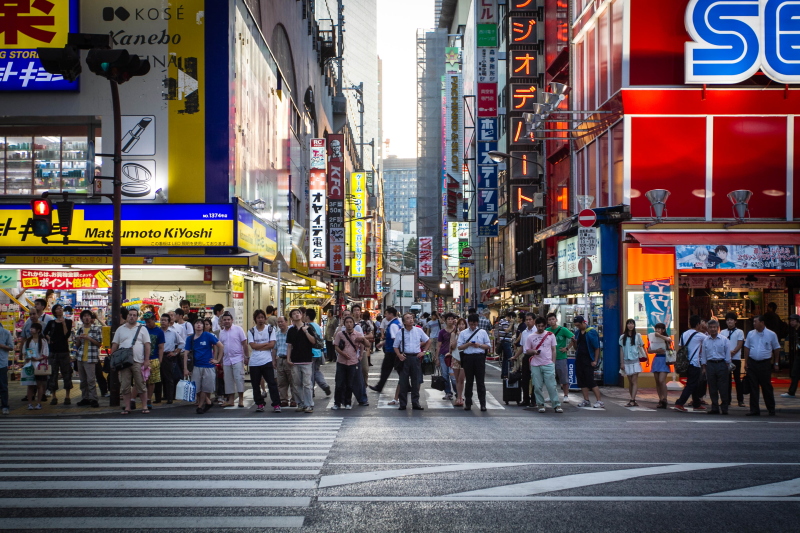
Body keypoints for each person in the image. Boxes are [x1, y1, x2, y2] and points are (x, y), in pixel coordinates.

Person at [111, 308, 151, 415]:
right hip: (123, 362)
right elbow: (115, 344)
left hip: (138, 360)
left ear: (137, 317)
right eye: (130, 315)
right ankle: (127, 407)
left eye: (134, 315)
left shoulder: (142, 329)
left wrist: (146, 360)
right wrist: (112, 358)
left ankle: (144, 406)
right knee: (125, 386)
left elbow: (147, 345)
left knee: (140, 384)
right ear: (127, 316)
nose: (132, 317)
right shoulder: (120, 329)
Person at [743, 315, 781, 416]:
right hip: (752, 362)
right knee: (753, 387)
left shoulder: (771, 334)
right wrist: (746, 362)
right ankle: (754, 409)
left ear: (762, 322)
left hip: (764, 363)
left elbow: (776, 349)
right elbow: (747, 348)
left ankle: (771, 408)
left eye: (756, 321)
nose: (754, 323)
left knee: (766, 386)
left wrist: (776, 363)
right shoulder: (751, 333)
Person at [184, 319, 222, 414]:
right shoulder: (190, 338)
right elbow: (186, 353)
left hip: (208, 366)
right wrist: (185, 368)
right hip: (196, 366)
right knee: (197, 388)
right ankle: (208, 402)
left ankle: (200, 406)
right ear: (194, 326)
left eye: (200, 323)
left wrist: (217, 360)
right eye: (196, 323)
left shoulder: (208, 335)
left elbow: (220, 346)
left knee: (205, 387)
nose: (198, 325)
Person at [525, 316, 562, 413]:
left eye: (542, 326)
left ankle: (556, 404)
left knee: (552, 386)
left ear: (545, 326)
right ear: (536, 326)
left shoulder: (550, 335)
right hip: (535, 364)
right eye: (538, 326)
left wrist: (553, 363)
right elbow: (527, 350)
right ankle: (540, 404)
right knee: (537, 386)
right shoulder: (530, 337)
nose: (540, 328)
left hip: (548, 364)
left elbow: (554, 350)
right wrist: (534, 351)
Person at [395, 312, 431, 411]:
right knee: (403, 381)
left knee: (416, 382)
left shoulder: (418, 330)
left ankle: (415, 403)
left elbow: (428, 341)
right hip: (405, 358)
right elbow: (395, 346)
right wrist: (399, 355)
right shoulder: (400, 332)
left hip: (415, 358)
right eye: (407, 318)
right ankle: (403, 404)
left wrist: (424, 351)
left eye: (411, 317)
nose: (410, 320)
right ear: (404, 322)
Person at [247, 309, 281, 413]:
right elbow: (252, 346)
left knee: (271, 383)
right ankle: (259, 404)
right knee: (255, 384)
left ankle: (276, 404)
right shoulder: (251, 331)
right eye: (258, 318)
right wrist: (265, 344)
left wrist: (259, 346)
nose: (260, 320)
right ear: (255, 319)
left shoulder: (270, 329)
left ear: (265, 318)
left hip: (267, 360)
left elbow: (272, 344)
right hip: (254, 362)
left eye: (262, 317)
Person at [333, 316, 370, 409]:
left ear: (353, 324)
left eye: (350, 322)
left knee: (350, 383)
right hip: (341, 361)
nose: (349, 324)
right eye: (347, 322)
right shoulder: (340, 334)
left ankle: (348, 402)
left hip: (353, 362)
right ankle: (337, 403)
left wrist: (361, 355)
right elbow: (336, 346)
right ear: (344, 324)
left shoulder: (357, 334)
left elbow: (365, 345)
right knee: (339, 383)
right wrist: (342, 353)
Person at [457, 313, 491, 411]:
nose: (472, 326)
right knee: (469, 382)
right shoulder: (463, 333)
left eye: (474, 324)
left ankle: (483, 404)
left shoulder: (482, 332)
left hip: (479, 357)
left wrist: (479, 345)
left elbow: (488, 345)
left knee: (480, 382)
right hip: (468, 358)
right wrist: (468, 344)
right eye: (471, 324)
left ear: (477, 323)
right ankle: (468, 403)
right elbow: (459, 347)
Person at [673, 315, 708, 412]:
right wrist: (705, 329)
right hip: (694, 363)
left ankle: (696, 403)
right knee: (691, 384)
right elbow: (709, 340)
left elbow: (681, 346)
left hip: (686, 363)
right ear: (697, 324)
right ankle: (680, 403)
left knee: (694, 383)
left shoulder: (684, 334)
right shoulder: (699, 335)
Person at [286, 308, 317, 413]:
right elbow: (289, 345)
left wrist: (306, 332)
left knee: (307, 383)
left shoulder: (308, 327)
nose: (296, 315)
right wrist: (288, 358)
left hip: (307, 359)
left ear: (302, 315)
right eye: (294, 314)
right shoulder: (290, 330)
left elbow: (313, 341)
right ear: (291, 318)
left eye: (298, 313)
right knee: (296, 383)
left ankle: (309, 405)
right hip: (295, 360)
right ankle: (300, 403)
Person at [71, 309, 103, 408]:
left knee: (91, 380)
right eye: (84, 316)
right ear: (82, 318)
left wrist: (88, 338)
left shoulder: (96, 329)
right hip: (80, 357)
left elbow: (99, 344)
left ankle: (93, 399)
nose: (86, 318)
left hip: (91, 358)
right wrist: (78, 339)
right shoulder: (80, 329)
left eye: (88, 316)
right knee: (83, 380)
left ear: (91, 318)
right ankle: (85, 398)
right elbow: (78, 345)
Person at [218, 311, 249, 408]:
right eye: (225, 320)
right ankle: (231, 400)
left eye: (228, 320)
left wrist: (246, 357)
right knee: (228, 380)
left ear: (232, 320)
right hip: (227, 359)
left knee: (239, 379)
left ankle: (240, 399)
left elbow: (244, 343)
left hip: (238, 358)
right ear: (222, 321)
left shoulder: (238, 329)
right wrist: (221, 360)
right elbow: (221, 348)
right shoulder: (221, 333)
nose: (226, 321)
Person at [43, 304, 73, 406]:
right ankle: (54, 396)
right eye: (57, 309)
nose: (60, 310)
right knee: (53, 374)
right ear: (54, 311)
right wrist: (48, 338)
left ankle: (67, 396)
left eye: (61, 308)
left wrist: (63, 322)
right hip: (53, 351)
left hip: (64, 351)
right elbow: (44, 332)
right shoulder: (51, 323)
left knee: (67, 374)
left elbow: (67, 334)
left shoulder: (68, 322)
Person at [700, 319, 731, 415]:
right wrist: (704, 367)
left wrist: (727, 365)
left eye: (714, 327)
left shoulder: (724, 339)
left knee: (723, 387)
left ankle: (724, 408)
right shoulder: (705, 340)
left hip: (721, 364)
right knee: (712, 387)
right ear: (708, 329)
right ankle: (715, 407)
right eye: (711, 327)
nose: (713, 329)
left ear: (717, 328)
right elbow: (703, 355)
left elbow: (727, 354)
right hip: (710, 365)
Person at [572, 316, 604, 408]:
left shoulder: (591, 332)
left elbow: (596, 347)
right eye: (576, 326)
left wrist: (595, 360)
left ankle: (599, 401)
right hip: (579, 359)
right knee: (581, 380)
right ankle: (586, 400)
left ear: (583, 323)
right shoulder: (578, 332)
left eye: (578, 325)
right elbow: (576, 348)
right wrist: (574, 342)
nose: (577, 327)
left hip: (588, 359)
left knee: (590, 380)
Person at [370, 307, 401, 394]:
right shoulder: (397, 323)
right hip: (393, 350)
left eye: (387, 313)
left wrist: (396, 351)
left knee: (386, 369)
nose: (385, 315)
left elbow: (395, 339)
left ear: (391, 314)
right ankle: (408, 386)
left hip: (392, 351)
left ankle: (379, 386)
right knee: (398, 370)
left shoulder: (393, 325)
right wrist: (382, 343)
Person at [546, 313, 574, 404]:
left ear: (556, 320)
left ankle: (566, 395)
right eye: (549, 319)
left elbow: (573, 338)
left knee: (564, 378)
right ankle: (551, 395)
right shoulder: (547, 331)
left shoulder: (563, 330)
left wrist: (567, 348)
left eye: (553, 319)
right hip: (549, 358)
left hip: (561, 357)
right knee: (550, 378)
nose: (551, 321)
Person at [305, 309, 332, 398]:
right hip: (319, 352)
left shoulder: (308, 326)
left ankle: (311, 391)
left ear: (307, 316)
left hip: (311, 352)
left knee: (310, 373)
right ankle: (324, 386)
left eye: (305, 315)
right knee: (316, 371)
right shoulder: (317, 325)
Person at [619, 319, 645, 407]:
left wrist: (646, 356)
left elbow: (642, 346)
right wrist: (621, 362)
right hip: (626, 361)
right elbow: (621, 350)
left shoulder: (638, 336)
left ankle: (632, 400)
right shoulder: (622, 337)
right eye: (629, 324)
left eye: (632, 324)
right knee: (630, 381)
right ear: (626, 325)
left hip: (635, 360)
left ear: (634, 325)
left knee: (634, 381)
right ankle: (632, 399)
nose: (630, 325)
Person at [721, 312, 746, 407]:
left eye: (731, 320)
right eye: (727, 320)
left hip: (736, 358)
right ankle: (727, 400)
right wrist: (727, 354)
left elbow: (740, 344)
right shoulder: (723, 332)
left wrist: (733, 352)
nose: (729, 322)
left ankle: (740, 400)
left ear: (735, 321)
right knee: (727, 380)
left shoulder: (740, 332)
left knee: (737, 380)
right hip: (726, 359)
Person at [142, 312, 165, 411]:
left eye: (149, 321)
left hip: (154, 358)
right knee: (141, 381)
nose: (147, 323)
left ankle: (148, 399)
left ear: (154, 320)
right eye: (146, 322)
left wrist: (160, 360)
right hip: (141, 359)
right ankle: (138, 399)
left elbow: (161, 347)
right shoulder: (143, 329)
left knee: (152, 381)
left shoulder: (159, 332)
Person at [647, 322, 673, 408]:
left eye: (659, 329)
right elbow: (649, 350)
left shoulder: (666, 338)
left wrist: (659, 336)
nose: (657, 330)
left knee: (662, 380)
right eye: (656, 329)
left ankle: (665, 398)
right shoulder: (652, 337)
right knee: (657, 381)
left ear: (663, 330)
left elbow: (669, 340)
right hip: (657, 359)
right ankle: (661, 399)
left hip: (664, 360)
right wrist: (656, 351)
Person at [24, 323, 49, 410]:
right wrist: (29, 358)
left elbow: (46, 353)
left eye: (33, 328)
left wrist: (38, 359)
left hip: (39, 365)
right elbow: (25, 352)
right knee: (30, 385)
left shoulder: (43, 341)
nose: (31, 330)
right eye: (31, 328)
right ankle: (30, 403)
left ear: (38, 330)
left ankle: (39, 403)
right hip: (31, 364)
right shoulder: (28, 341)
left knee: (39, 385)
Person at [515, 313, 537, 408]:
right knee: (525, 378)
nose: (528, 321)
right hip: (526, 356)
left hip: (536, 357)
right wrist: (515, 356)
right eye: (527, 319)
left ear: (534, 320)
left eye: (530, 319)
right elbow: (522, 346)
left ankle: (534, 399)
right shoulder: (524, 333)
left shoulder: (537, 331)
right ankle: (525, 399)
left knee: (535, 379)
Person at [159, 313, 181, 404]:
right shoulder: (157, 331)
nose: (163, 322)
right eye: (162, 320)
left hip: (168, 356)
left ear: (169, 322)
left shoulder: (173, 332)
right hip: (157, 355)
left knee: (169, 377)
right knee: (158, 378)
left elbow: (182, 343)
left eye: (165, 320)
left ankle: (170, 397)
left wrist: (175, 352)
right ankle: (158, 397)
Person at [351, 305, 374, 390]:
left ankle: (364, 385)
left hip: (362, 349)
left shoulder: (365, 323)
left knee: (364, 369)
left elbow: (371, 335)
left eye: (358, 310)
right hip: (351, 349)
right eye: (355, 310)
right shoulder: (350, 323)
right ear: (352, 312)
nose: (357, 312)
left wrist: (362, 337)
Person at [437, 312, 458, 400]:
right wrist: (437, 357)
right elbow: (439, 345)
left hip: (454, 356)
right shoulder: (442, 332)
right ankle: (448, 392)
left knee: (453, 377)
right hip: (443, 355)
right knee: (445, 375)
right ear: (445, 321)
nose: (450, 321)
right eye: (448, 319)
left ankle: (458, 392)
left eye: (451, 319)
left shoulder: (457, 330)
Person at [451, 317, 468, 406]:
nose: (461, 326)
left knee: (461, 379)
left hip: (464, 358)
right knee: (456, 379)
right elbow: (452, 346)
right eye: (459, 324)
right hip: (455, 357)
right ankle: (458, 397)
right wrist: (458, 337)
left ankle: (460, 397)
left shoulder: (468, 334)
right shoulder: (454, 334)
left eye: (463, 324)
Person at [782, 314, 800, 398]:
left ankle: (791, 391)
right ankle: (791, 392)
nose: (791, 322)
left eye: (793, 320)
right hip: (798, 354)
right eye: (790, 320)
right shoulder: (795, 330)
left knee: (795, 372)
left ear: (797, 321)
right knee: (795, 373)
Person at [495, 311, 516, 379]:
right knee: (509, 357)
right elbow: (507, 330)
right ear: (511, 317)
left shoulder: (506, 322)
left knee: (505, 358)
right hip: (505, 342)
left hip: (507, 341)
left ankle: (504, 374)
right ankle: (507, 373)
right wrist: (511, 324)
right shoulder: (503, 321)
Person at [0, 320, 12, 414]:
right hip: (3, 363)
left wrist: (2, 346)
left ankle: (5, 406)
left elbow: (11, 347)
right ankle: (4, 407)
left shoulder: (5, 332)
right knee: (3, 385)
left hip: (2, 363)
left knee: (3, 385)